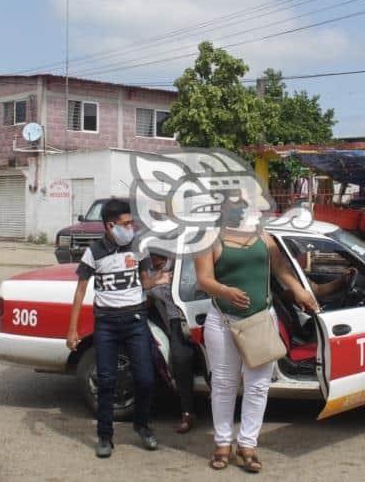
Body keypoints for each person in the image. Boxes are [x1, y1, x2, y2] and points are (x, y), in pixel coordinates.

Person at [195, 197, 318, 473]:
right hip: (224, 321)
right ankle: (223, 444)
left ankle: (247, 446)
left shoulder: (263, 234)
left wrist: (299, 290)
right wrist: (225, 291)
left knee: (259, 385)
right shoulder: (209, 238)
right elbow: (204, 279)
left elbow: (281, 269)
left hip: (261, 320)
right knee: (224, 385)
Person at [66, 199, 170, 458]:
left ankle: (142, 426)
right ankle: (104, 436)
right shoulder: (94, 252)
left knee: (146, 379)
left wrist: (159, 278)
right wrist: (72, 330)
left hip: (136, 320)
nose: (131, 227)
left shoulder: (138, 248)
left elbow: (146, 282)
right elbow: (80, 291)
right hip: (107, 325)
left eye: (132, 222)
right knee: (106, 381)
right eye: (126, 224)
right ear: (110, 225)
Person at [145, 253, 197, 433]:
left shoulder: (180, 264)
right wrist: (155, 283)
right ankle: (188, 412)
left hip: (191, 316)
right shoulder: (149, 271)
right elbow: (148, 299)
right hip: (173, 322)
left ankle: (190, 411)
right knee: (178, 360)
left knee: (182, 359)